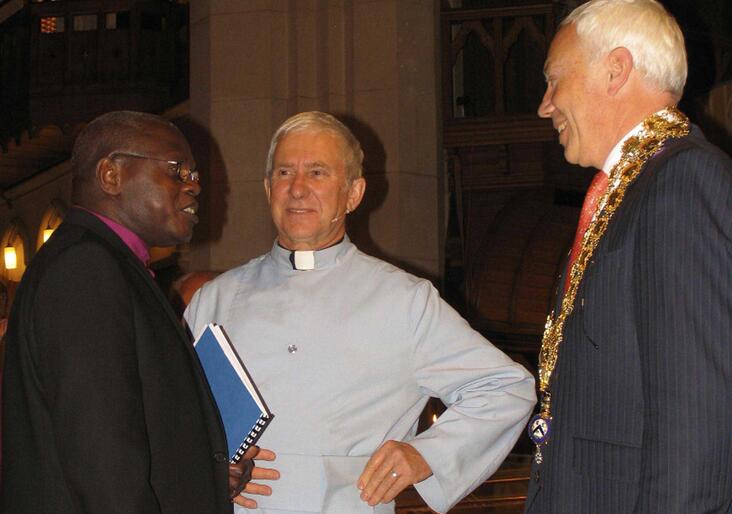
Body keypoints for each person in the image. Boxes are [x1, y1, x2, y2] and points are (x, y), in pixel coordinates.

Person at [185, 111, 537, 514]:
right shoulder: (213, 299)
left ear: (353, 193)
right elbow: (174, 417)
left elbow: (505, 388)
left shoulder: (403, 301)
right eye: (284, 173)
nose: (297, 189)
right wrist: (205, 468)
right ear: (268, 189)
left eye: (317, 173)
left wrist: (426, 455)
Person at [525, 1, 732, 513]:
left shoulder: (682, 182)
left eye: (555, 80)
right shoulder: (633, 189)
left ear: (616, 70)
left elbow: (696, 425)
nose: (545, 105)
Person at [1, 111, 263, 513]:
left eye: (195, 175)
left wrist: (202, 475)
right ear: (111, 175)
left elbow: (131, 432)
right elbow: (102, 459)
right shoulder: (86, 268)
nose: (195, 187)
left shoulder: (106, 265)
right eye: (178, 171)